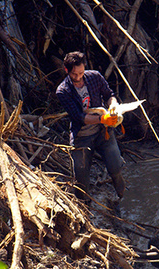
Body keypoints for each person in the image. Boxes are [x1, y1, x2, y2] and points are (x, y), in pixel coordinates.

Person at [56, 51, 126, 200]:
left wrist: (113, 106)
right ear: (66, 70)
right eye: (74, 75)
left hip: (103, 133)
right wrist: (103, 119)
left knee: (116, 167)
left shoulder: (95, 76)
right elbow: (79, 117)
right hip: (82, 137)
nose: (79, 77)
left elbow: (109, 95)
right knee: (81, 180)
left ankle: (122, 197)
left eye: (81, 73)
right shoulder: (63, 91)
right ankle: (85, 211)